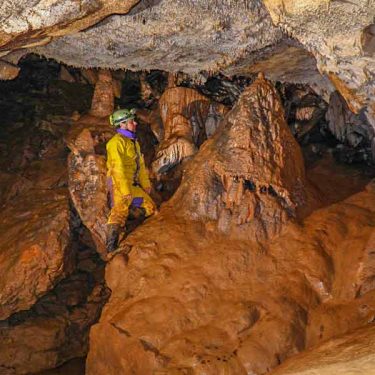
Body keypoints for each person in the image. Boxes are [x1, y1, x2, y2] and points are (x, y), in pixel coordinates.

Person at [106, 108, 156, 253]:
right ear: (122, 124)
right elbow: (117, 168)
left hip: (131, 183)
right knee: (118, 212)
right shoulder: (115, 143)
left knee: (149, 206)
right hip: (118, 183)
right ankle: (111, 248)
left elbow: (140, 165)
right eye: (131, 121)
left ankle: (142, 231)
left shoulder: (133, 142)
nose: (135, 123)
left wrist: (146, 184)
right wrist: (124, 190)